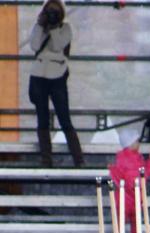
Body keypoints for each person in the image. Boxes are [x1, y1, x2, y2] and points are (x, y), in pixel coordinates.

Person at [29, 0, 84, 168]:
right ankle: (46, 160)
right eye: (49, 11)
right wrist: (40, 25)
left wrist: (54, 27)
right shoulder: (39, 26)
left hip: (57, 75)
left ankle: (78, 159)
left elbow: (58, 45)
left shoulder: (65, 29)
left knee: (64, 118)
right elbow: (34, 45)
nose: (52, 15)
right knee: (42, 119)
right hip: (39, 75)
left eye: (55, 12)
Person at [108, 128, 150, 233]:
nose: (138, 143)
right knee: (126, 220)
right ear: (130, 144)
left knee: (131, 221)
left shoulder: (136, 158)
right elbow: (145, 173)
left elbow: (145, 174)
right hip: (128, 196)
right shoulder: (126, 159)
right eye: (136, 141)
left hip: (131, 197)